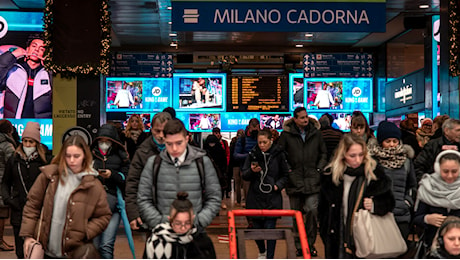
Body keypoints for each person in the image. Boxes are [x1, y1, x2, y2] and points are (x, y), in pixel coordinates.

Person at [137, 118, 221, 258]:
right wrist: (161, 222)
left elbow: (214, 197)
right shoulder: (154, 163)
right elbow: (143, 198)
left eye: (178, 143)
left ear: (187, 138)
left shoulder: (202, 162)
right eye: (169, 144)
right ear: (163, 140)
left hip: (195, 237)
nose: (174, 149)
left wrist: (197, 221)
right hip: (161, 238)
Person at [20, 135, 111, 258]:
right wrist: (28, 236)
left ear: (84, 156)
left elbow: (103, 215)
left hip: (74, 251)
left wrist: (85, 231)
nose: (72, 160)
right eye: (68, 156)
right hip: (45, 250)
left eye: (76, 156)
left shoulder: (93, 185)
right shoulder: (48, 176)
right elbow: (32, 206)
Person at [318, 134, 395, 258]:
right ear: (343, 155)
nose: (358, 160)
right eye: (352, 156)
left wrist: (375, 205)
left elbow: (390, 202)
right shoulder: (331, 177)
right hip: (338, 237)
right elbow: (323, 210)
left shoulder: (374, 174)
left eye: (361, 155)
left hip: (367, 236)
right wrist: (325, 232)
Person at [278, 107, 328, 256]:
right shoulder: (286, 135)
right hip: (294, 180)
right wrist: (289, 171)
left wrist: (319, 169)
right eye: (301, 118)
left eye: (306, 117)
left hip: (313, 179)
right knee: (296, 214)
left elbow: (323, 153)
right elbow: (281, 156)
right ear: (295, 119)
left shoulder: (316, 134)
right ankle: (299, 245)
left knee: (312, 210)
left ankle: (310, 244)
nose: (305, 120)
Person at [1, 122, 50, 258]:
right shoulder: (14, 160)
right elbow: (5, 182)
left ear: (37, 142)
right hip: (18, 209)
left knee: (39, 250)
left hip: (39, 212)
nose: (27, 145)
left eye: (31, 141)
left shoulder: (45, 161)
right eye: (25, 141)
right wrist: (8, 200)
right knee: (21, 252)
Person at [242, 129, 289, 259]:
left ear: (271, 141)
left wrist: (277, 186)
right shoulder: (252, 154)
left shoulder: (279, 154)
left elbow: (286, 175)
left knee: (270, 230)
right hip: (255, 197)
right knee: (256, 229)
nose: (261, 145)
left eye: (264, 142)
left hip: (272, 197)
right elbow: (244, 175)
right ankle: (262, 250)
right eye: (259, 142)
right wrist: (252, 171)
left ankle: (270, 257)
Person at [369, 121, 417, 241]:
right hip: (379, 214)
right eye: (388, 141)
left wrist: (407, 202)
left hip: (401, 214)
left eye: (395, 141)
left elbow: (412, 185)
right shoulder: (373, 161)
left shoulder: (406, 161)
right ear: (381, 142)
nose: (392, 145)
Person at [126, 112, 172, 231]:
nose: (161, 135)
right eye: (157, 131)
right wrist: (133, 213)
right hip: (152, 210)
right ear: (151, 130)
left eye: (165, 131)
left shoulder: (180, 150)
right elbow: (132, 183)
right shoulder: (142, 152)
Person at [91, 124, 130, 259]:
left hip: (113, 205)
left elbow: (126, 178)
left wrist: (112, 174)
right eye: (101, 141)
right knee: (94, 246)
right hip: (93, 207)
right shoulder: (90, 155)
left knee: (106, 246)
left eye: (107, 142)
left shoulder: (121, 157)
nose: (104, 144)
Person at [145, 191, 213, 259]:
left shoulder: (202, 240)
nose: (183, 228)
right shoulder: (156, 240)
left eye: (187, 223)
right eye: (178, 223)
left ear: (193, 219)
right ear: (170, 220)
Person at [414, 150, 460, 248]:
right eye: (445, 171)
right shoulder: (428, 186)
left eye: (454, 171)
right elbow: (416, 218)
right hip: (433, 245)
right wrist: (427, 219)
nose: (450, 175)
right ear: (438, 169)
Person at [0, 34, 52, 119]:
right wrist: (12, 55)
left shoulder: (47, 73)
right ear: (27, 49)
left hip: (41, 126)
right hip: (15, 124)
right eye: (34, 46)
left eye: (41, 49)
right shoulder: (13, 70)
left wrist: (50, 67)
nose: (36, 50)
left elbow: (59, 91)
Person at [234, 118, 260, 207]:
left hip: (260, 169)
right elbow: (236, 155)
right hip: (246, 169)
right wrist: (249, 156)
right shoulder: (242, 139)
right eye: (254, 129)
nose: (255, 132)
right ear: (249, 127)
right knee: (248, 192)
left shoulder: (260, 137)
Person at [0, 119, 16, 251]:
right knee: (2, 213)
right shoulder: (7, 145)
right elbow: (13, 165)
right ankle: (0, 241)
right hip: (2, 183)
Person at [204, 134, 228, 210]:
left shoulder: (219, 150)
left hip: (218, 173)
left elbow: (224, 161)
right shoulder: (205, 151)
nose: (211, 145)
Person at [229, 129, 245, 205]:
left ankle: (238, 200)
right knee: (244, 183)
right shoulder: (245, 142)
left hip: (235, 165)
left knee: (237, 184)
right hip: (243, 164)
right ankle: (244, 200)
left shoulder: (233, 142)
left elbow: (232, 155)